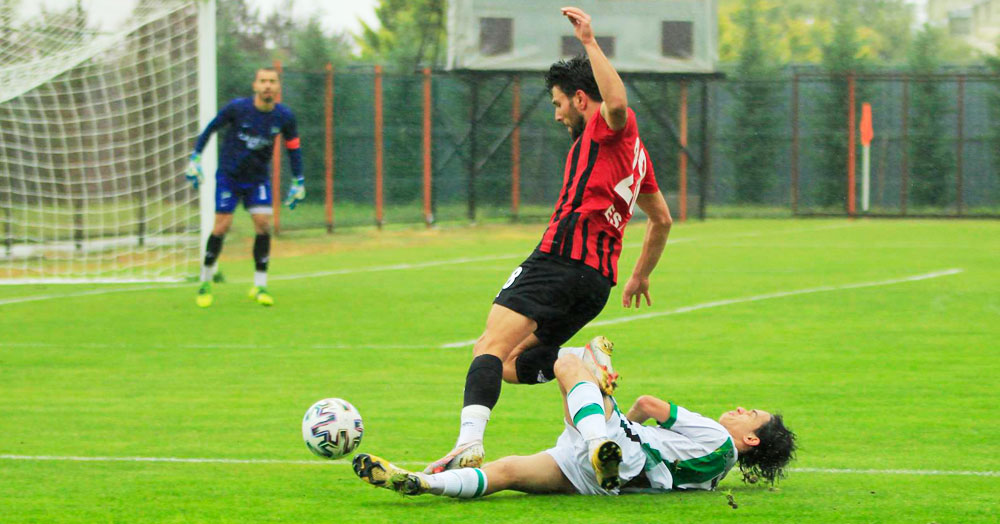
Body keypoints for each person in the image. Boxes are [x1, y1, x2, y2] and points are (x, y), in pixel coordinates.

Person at [425, 6, 673, 474]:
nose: (558, 115)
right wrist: (639, 275)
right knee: (515, 364)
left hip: (559, 260)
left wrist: (589, 42)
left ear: (581, 99)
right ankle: (582, 363)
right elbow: (662, 220)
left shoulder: (608, 127)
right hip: (596, 283)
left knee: (488, 350)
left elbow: (616, 104)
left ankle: (467, 445)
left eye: (559, 104)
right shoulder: (637, 156)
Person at [354, 343, 797, 498]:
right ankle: (420, 483)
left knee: (568, 363)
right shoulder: (715, 476)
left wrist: (611, 399)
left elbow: (649, 404)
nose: (740, 410)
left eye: (750, 415)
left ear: (751, 441)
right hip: (602, 478)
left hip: (614, 450)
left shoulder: (718, 437)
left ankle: (593, 432)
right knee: (506, 472)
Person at [185, 67, 305, 308]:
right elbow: (210, 130)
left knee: (263, 224)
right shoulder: (238, 108)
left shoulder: (284, 116)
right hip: (229, 176)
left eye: (272, 81)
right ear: (255, 85)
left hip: (258, 179)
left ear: (278, 87)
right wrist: (195, 157)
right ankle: (205, 281)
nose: (267, 85)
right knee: (222, 226)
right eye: (263, 81)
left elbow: (293, 147)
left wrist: (298, 180)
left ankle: (260, 286)